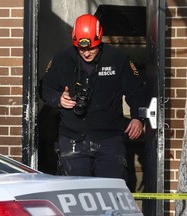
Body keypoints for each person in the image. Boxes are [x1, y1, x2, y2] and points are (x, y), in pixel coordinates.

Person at [39, 14, 146, 180]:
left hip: (109, 139)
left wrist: (138, 118)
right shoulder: (62, 60)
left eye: (91, 48)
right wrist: (58, 98)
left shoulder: (117, 59)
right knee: (74, 193)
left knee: (111, 193)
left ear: (100, 41)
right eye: (81, 49)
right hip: (73, 139)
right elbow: (44, 87)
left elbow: (137, 90)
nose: (86, 53)